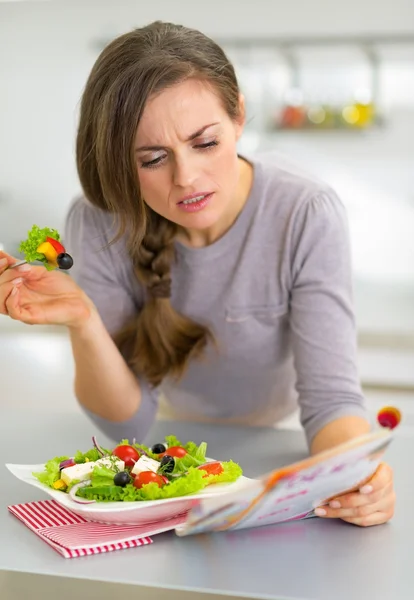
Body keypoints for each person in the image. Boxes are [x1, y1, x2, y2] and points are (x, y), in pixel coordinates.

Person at [0, 21, 394, 526]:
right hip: (168, 452)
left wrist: (354, 472)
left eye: (204, 143)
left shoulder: (305, 211)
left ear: (239, 118)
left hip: (277, 447)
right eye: (153, 159)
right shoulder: (98, 222)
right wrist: (84, 321)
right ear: (121, 161)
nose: (186, 178)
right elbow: (129, 424)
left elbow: (331, 400)